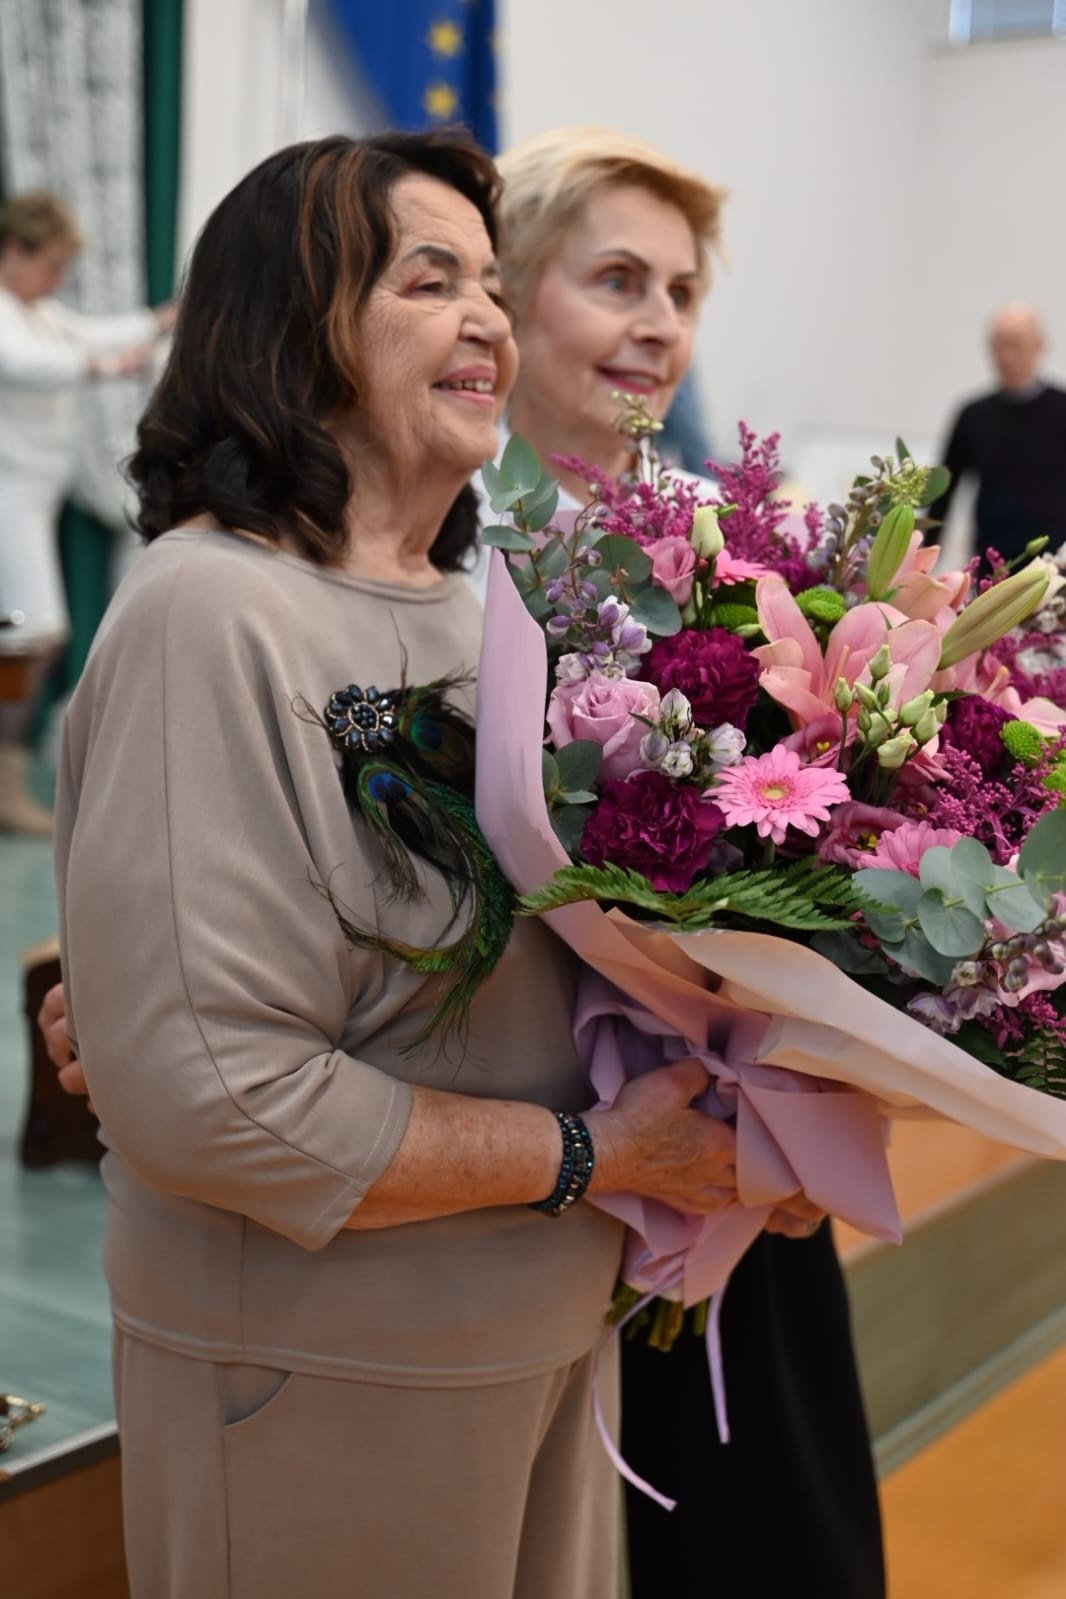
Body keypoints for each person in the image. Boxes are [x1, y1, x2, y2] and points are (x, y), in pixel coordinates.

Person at [50, 130, 771, 1599]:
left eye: (493, 284)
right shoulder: (212, 609)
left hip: (546, 1336)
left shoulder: (485, 612)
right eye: (429, 282)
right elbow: (220, 1093)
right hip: (324, 1363)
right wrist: (595, 1155)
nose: (487, 319)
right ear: (290, 326)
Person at [489, 125, 886, 1598]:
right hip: (537, 1189)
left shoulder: (747, 570)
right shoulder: (434, 563)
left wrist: (826, 1088)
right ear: (503, 295)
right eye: (614, 279)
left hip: (734, 1177)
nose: (657, 321)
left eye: (679, 289)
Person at [0, 190, 176, 834]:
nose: (59, 278)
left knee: (25, 639)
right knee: (33, 636)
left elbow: (90, 330)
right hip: (9, 498)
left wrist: (161, 319)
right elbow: (30, 366)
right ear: (14, 251)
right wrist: (104, 367)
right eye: (52, 264)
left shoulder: (38, 311)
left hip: (32, 497)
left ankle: (6, 780)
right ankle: (6, 786)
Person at [928, 303, 1066, 568]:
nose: (1006, 356)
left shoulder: (1062, 410)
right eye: (998, 345)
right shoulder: (973, 414)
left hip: (1056, 564)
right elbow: (942, 495)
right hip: (993, 563)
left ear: (1039, 346)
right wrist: (921, 562)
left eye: (1015, 345)